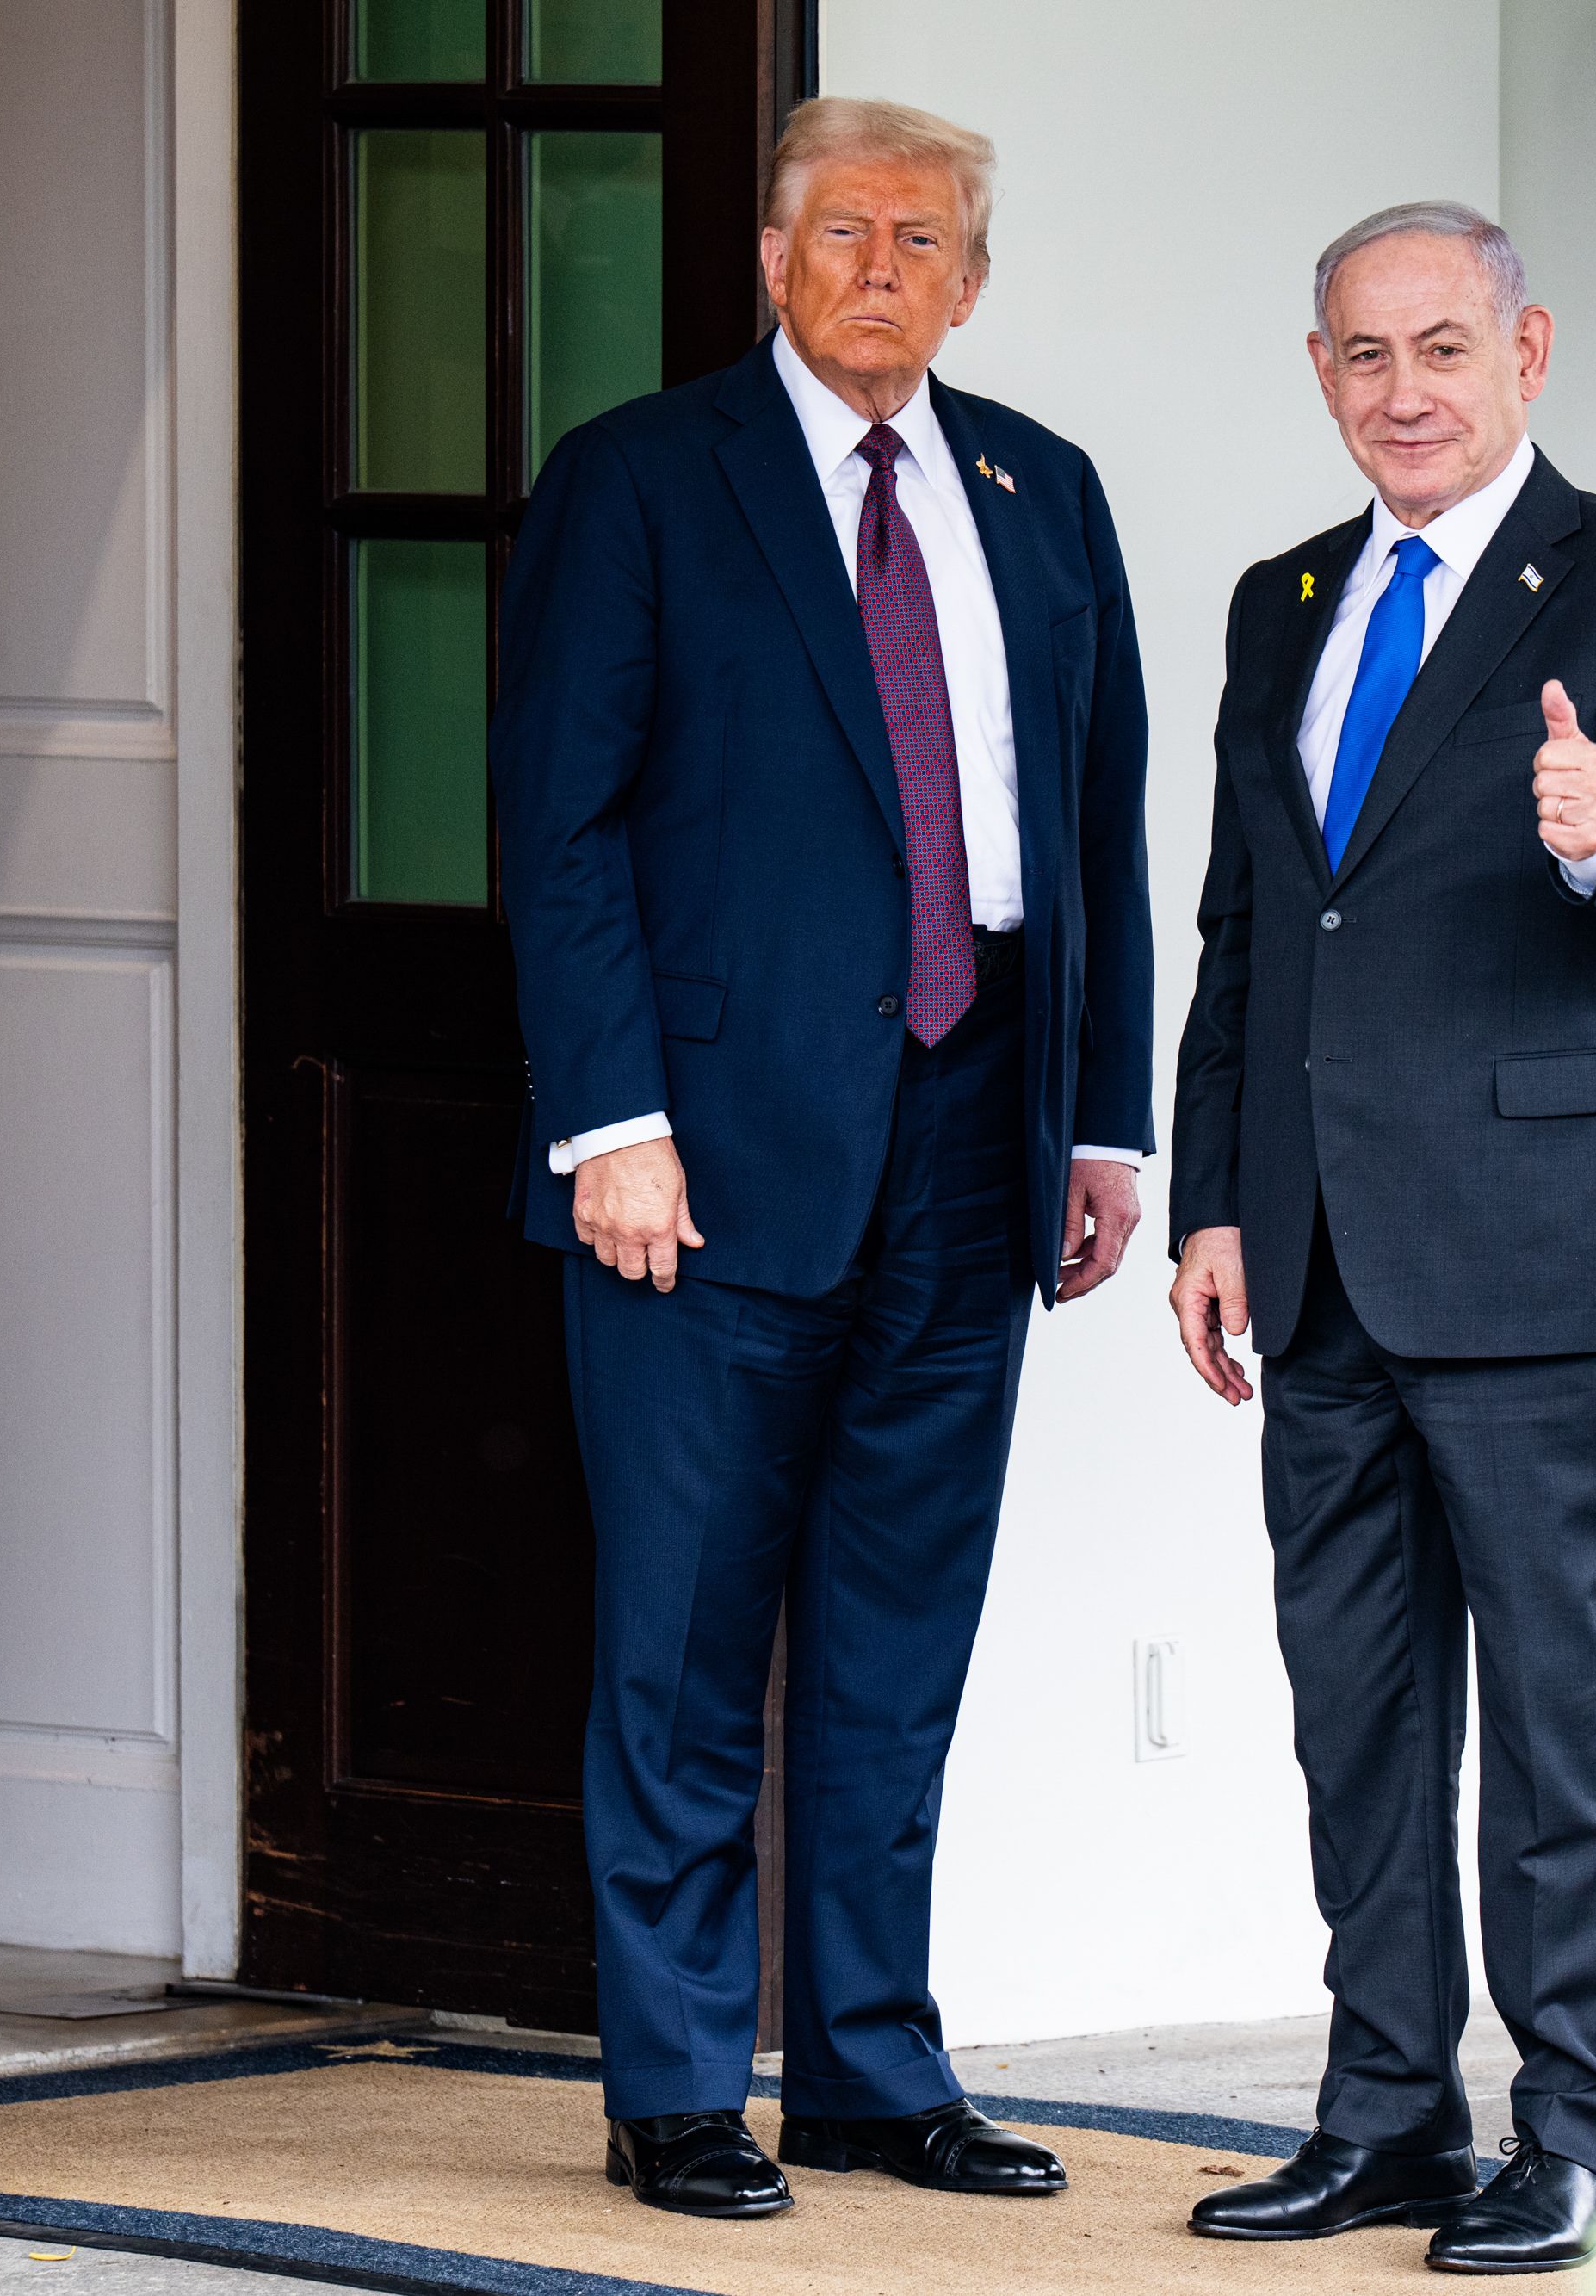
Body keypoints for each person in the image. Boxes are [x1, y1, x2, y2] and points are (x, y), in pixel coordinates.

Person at [493, 96, 1153, 2221]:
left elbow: (1096, 825)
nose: (883, 266)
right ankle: (681, 2082)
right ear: (772, 262)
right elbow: (558, 827)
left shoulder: (1042, 490)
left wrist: (1101, 1118)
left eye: (924, 238)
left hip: (975, 1134)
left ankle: (872, 2066)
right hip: (700, 1157)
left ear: (973, 280)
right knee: (684, 1647)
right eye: (846, 231)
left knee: (896, 1637)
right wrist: (610, 1124)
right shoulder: (637, 479)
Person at [1166, 201, 1596, 2274]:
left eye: (1441, 348)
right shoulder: (1281, 601)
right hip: (1319, 1253)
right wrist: (1215, 1199)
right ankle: (1387, 2112)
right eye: (1363, 355)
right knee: (1356, 1711)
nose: (1401, 391)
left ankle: (1578, 2125)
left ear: (1526, 350)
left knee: (1551, 1726)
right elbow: (1250, 930)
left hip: (1546, 1252)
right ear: (1318, 371)